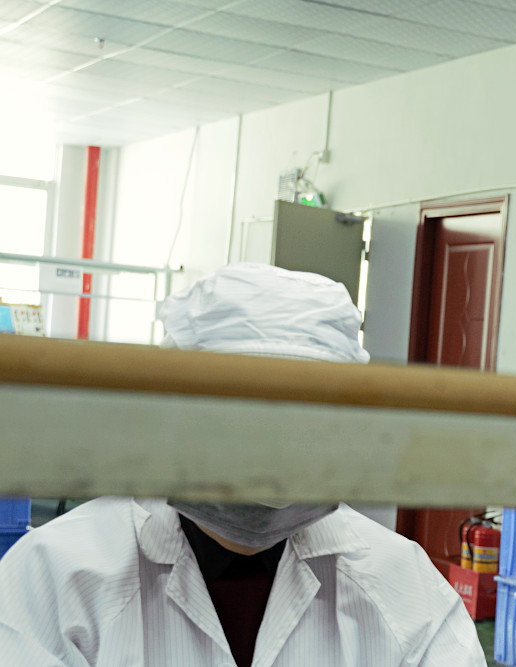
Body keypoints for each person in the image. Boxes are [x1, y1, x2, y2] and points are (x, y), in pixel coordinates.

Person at [0, 263, 487, 666]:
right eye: (245, 415)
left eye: (305, 417)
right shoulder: (57, 576)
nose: (273, 452)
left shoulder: (403, 589)